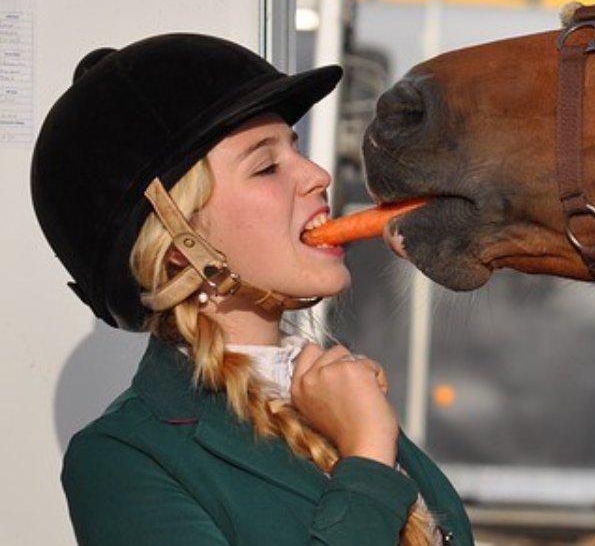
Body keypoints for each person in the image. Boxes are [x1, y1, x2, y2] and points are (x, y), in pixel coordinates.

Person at [31, 34, 471, 545]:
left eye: (296, 148)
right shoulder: (122, 458)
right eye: (266, 166)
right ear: (179, 244)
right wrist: (368, 458)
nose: (317, 175)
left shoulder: (332, 394)